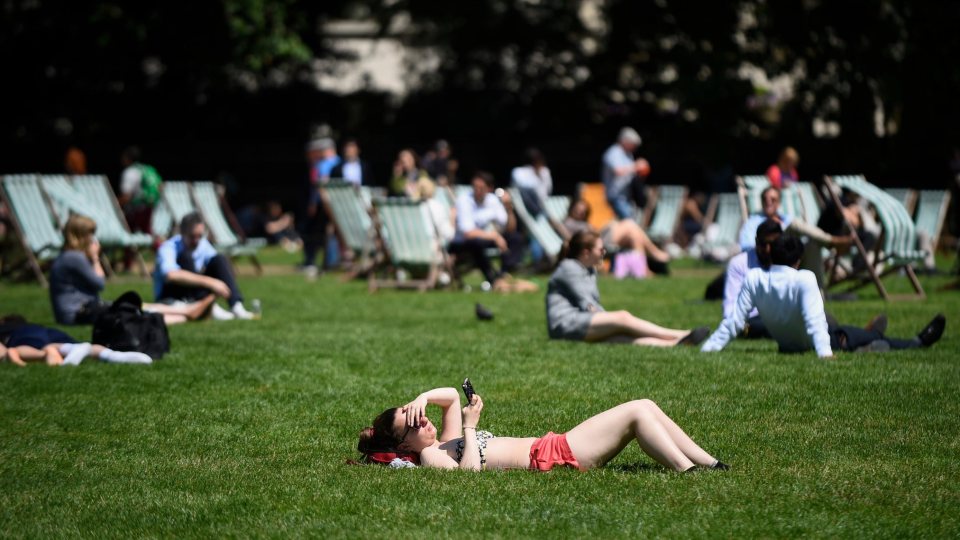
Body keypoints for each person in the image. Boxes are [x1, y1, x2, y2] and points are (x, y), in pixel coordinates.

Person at [357, 386, 728, 472]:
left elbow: (452, 396)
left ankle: (709, 464)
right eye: (413, 423)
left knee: (644, 405)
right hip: (549, 458)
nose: (423, 418)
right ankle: (688, 470)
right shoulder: (427, 455)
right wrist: (471, 428)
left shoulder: (440, 440)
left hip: (550, 445)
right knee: (636, 413)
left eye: (416, 413)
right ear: (405, 446)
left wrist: (420, 397)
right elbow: (468, 475)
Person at [701, 235, 946, 358]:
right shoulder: (804, 278)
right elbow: (815, 322)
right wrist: (825, 354)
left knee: (840, 329)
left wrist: (709, 347)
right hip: (817, 342)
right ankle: (913, 342)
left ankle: (869, 343)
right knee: (849, 334)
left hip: (787, 347)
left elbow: (734, 321)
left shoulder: (754, 278)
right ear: (798, 260)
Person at [547, 230, 709, 347]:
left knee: (621, 338)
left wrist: (605, 320)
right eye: (600, 249)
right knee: (622, 318)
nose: (604, 252)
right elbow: (586, 302)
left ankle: (675, 344)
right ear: (586, 252)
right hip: (564, 324)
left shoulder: (589, 269)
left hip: (578, 323)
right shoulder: (568, 267)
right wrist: (608, 319)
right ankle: (681, 334)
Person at [49, 215, 215, 325]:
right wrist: (94, 258)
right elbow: (99, 283)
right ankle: (187, 312)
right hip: (77, 313)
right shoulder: (74, 257)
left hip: (82, 310)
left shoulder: (68, 256)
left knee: (134, 307)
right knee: (132, 311)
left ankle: (185, 314)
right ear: (79, 235)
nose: (93, 239)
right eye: (89, 234)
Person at [153, 213, 256, 321]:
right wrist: (211, 282)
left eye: (200, 236)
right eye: (192, 236)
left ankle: (236, 306)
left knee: (219, 259)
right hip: (169, 297)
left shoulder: (202, 244)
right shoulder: (168, 248)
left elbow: (218, 264)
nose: (196, 241)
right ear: (182, 233)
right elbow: (171, 275)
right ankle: (207, 308)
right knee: (186, 257)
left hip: (193, 293)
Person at [448, 171, 529, 290]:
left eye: (481, 188)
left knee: (515, 238)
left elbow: (510, 229)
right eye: (475, 187)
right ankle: (492, 278)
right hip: (462, 242)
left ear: (489, 189)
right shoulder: (464, 200)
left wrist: (509, 208)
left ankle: (503, 274)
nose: (477, 190)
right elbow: (468, 233)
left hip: (485, 238)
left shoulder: (492, 200)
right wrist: (495, 237)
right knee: (476, 243)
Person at [563, 199, 670, 278]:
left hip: (600, 238)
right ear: (571, 209)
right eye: (577, 210)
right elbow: (575, 240)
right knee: (629, 224)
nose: (580, 213)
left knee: (634, 237)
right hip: (597, 243)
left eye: (583, 212)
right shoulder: (568, 223)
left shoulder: (583, 223)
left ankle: (643, 269)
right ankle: (656, 254)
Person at [1, 315, 151, 366]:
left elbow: (5, 350)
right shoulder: (30, 325)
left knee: (45, 347)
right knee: (80, 346)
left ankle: (47, 354)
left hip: (24, 337)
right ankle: (113, 355)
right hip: (52, 332)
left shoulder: (7, 329)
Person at [601, 127, 647, 220]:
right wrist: (636, 165)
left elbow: (631, 172)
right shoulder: (613, 152)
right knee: (629, 221)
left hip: (627, 196)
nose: (634, 147)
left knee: (625, 222)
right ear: (625, 141)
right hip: (616, 196)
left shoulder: (628, 154)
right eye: (633, 144)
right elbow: (618, 171)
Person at [117, 146, 162, 235]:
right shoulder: (148, 169)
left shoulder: (129, 172)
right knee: (148, 232)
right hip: (151, 209)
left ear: (127, 158)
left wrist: (115, 205)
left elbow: (126, 197)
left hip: (136, 212)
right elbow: (160, 187)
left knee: (129, 231)